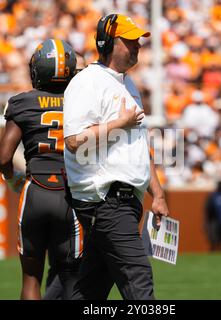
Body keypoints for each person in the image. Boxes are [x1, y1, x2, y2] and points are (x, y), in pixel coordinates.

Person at [63, 14, 169, 300]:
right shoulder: (87, 82)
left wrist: (156, 194)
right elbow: (73, 141)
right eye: (130, 40)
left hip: (125, 201)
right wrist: (117, 125)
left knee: (90, 290)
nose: (137, 46)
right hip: (105, 201)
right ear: (108, 42)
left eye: (138, 41)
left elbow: (138, 145)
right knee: (138, 276)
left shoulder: (127, 84)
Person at [0, 39, 82, 300]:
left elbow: (3, 158)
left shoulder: (23, 103)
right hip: (71, 194)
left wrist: (15, 181)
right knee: (72, 277)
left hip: (35, 192)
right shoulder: (82, 100)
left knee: (31, 278)